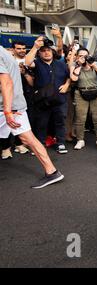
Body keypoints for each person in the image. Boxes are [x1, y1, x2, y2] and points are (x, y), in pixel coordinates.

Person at [0, 45, 64, 189]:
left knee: (28, 139)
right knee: (28, 139)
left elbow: (6, 83)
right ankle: (52, 171)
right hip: (12, 106)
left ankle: (52, 171)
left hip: (9, 107)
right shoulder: (4, 52)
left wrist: (8, 111)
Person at [24, 36, 71, 154]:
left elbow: (70, 76)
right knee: (41, 123)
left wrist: (66, 85)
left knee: (60, 121)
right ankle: (40, 144)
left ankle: (60, 143)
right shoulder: (37, 63)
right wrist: (36, 46)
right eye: (43, 51)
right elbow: (27, 62)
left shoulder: (61, 63)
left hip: (60, 99)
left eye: (48, 50)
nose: (46, 53)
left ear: (52, 52)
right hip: (42, 100)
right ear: (39, 54)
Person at [70, 48, 97, 150]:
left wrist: (93, 65)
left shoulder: (94, 64)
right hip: (81, 93)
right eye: (81, 56)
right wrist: (79, 65)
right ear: (77, 57)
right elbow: (73, 78)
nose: (83, 58)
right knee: (80, 118)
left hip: (96, 91)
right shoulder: (74, 65)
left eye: (85, 56)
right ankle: (80, 140)